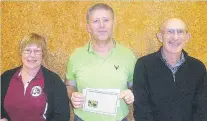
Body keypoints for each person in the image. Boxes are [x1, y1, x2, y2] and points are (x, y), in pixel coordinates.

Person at [65, 3, 136, 121]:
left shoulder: (128, 55)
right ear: (88, 27)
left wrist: (131, 93)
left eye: (106, 20)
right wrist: (72, 95)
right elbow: (69, 85)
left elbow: (135, 86)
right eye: (96, 21)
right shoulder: (76, 56)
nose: (102, 25)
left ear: (113, 24)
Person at [133, 18, 207, 121]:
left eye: (180, 32)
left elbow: (202, 109)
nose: (175, 37)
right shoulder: (144, 65)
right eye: (170, 31)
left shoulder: (198, 67)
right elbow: (141, 108)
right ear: (160, 37)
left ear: (187, 37)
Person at [1, 33, 70, 121]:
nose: (32, 55)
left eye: (37, 51)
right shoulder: (6, 77)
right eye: (27, 50)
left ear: (42, 54)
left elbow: (62, 116)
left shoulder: (54, 81)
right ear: (21, 53)